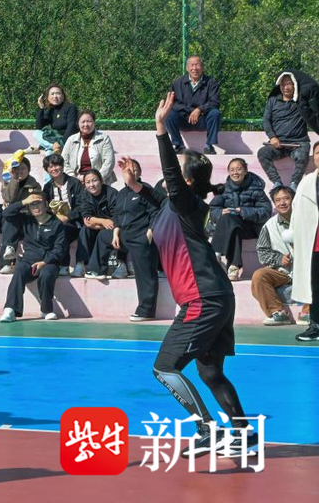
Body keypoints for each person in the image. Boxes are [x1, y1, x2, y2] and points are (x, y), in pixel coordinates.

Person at [148, 92, 255, 455]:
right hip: (215, 296)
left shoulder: (188, 203)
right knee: (210, 372)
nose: (170, 175)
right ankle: (244, 434)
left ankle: (207, 428)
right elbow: (159, 198)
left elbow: (171, 179)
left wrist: (162, 131)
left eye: (177, 171)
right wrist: (132, 184)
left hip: (203, 298)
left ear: (187, 182)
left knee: (165, 367)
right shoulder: (170, 207)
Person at [0, 193, 69, 322]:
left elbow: (60, 249)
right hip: (29, 260)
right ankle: (11, 309)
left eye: (39, 203)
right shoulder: (26, 220)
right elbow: (6, 214)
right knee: (19, 271)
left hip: (49, 261)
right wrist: (23, 201)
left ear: (46, 204)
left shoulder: (56, 224)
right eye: (32, 204)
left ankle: (46, 310)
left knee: (46, 274)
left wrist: (45, 262)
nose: (36, 206)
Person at [111, 159, 166, 321]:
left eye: (135, 169)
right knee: (101, 237)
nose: (132, 172)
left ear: (140, 172)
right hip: (124, 235)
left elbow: (156, 212)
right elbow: (117, 215)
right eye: (128, 170)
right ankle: (93, 269)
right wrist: (115, 233)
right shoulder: (121, 193)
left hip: (140, 236)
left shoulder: (145, 190)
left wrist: (149, 233)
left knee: (145, 274)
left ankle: (145, 310)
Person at [209, 158, 271, 281]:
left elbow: (266, 211)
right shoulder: (223, 189)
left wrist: (243, 211)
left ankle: (214, 252)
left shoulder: (256, 189)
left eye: (239, 169)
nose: (235, 173)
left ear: (246, 170)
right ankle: (234, 266)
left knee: (231, 222)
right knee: (229, 221)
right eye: (232, 170)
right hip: (233, 227)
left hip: (251, 227)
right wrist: (220, 212)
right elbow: (212, 209)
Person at [258, 71, 314, 192]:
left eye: (289, 84)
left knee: (303, 155)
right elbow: (266, 121)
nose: (286, 87)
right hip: (278, 144)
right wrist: (272, 137)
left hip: (299, 143)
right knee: (262, 153)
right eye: (283, 84)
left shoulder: (301, 100)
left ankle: (294, 185)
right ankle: (277, 182)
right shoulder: (273, 100)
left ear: (295, 85)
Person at [252, 186, 297, 326]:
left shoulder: (308, 219)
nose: (282, 203)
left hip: (307, 270)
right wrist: (279, 259)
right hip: (283, 273)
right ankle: (278, 313)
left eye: (286, 198)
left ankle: (308, 312)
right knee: (259, 276)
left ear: (293, 200)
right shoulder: (269, 225)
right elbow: (262, 252)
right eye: (278, 200)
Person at [289, 141, 319, 341]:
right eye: (317, 152)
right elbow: (297, 212)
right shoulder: (307, 181)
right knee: (315, 286)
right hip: (313, 243)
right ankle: (315, 324)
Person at [166, 56, 222, 154]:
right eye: (192, 65)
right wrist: (189, 111)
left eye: (197, 65)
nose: (194, 68)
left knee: (215, 113)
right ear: (187, 68)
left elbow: (215, 102)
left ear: (203, 67)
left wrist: (199, 109)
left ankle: (209, 145)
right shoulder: (178, 83)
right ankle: (178, 145)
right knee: (169, 115)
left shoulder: (211, 82)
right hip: (184, 119)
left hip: (202, 119)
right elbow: (173, 102)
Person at [0, 156, 42, 273]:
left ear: (29, 169)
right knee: (9, 219)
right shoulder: (7, 184)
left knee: (11, 217)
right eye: (16, 169)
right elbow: (9, 198)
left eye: (23, 168)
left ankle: (9, 260)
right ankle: (8, 259)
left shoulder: (35, 185)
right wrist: (14, 180)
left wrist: (18, 207)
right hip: (13, 220)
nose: (20, 171)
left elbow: (35, 205)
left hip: (28, 220)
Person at [42, 153, 84, 272]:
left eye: (56, 165)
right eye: (50, 167)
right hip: (55, 222)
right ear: (47, 170)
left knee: (62, 231)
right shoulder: (47, 187)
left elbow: (81, 206)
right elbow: (46, 207)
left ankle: (64, 265)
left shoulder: (74, 183)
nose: (54, 169)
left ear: (62, 166)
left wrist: (68, 217)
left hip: (74, 223)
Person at [76, 170, 120, 280]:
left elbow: (116, 218)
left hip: (112, 229)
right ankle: (81, 264)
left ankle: (98, 269)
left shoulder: (112, 193)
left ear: (101, 180)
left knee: (104, 234)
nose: (91, 185)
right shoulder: (84, 195)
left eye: (94, 180)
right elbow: (87, 218)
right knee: (84, 230)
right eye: (88, 182)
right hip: (99, 226)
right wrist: (103, 222)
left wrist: (97, 223)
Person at [62, 110, 116, 185]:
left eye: (89, 121)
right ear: (78, 123)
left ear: (94, 122)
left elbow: (109, 162)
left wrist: (96, 179)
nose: (86, 124)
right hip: (76, 180)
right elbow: (64, 161)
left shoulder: (104, 138)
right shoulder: (71, 139)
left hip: (99, 181)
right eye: (83, 122)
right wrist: (74, 178)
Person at [30, 83, 78, 154]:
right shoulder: (51, 111)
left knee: (50, 152)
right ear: (48, 97)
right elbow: (39, 127)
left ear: (63, 96)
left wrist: (63, 143)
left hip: (66, 140)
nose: (55, 96)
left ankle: (55, 147)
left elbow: (71, 128)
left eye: (58, 93)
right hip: (55, 142)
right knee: (36, 134)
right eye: (52, 94)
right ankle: (53, 147)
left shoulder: (70, 107)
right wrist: (41, 108)